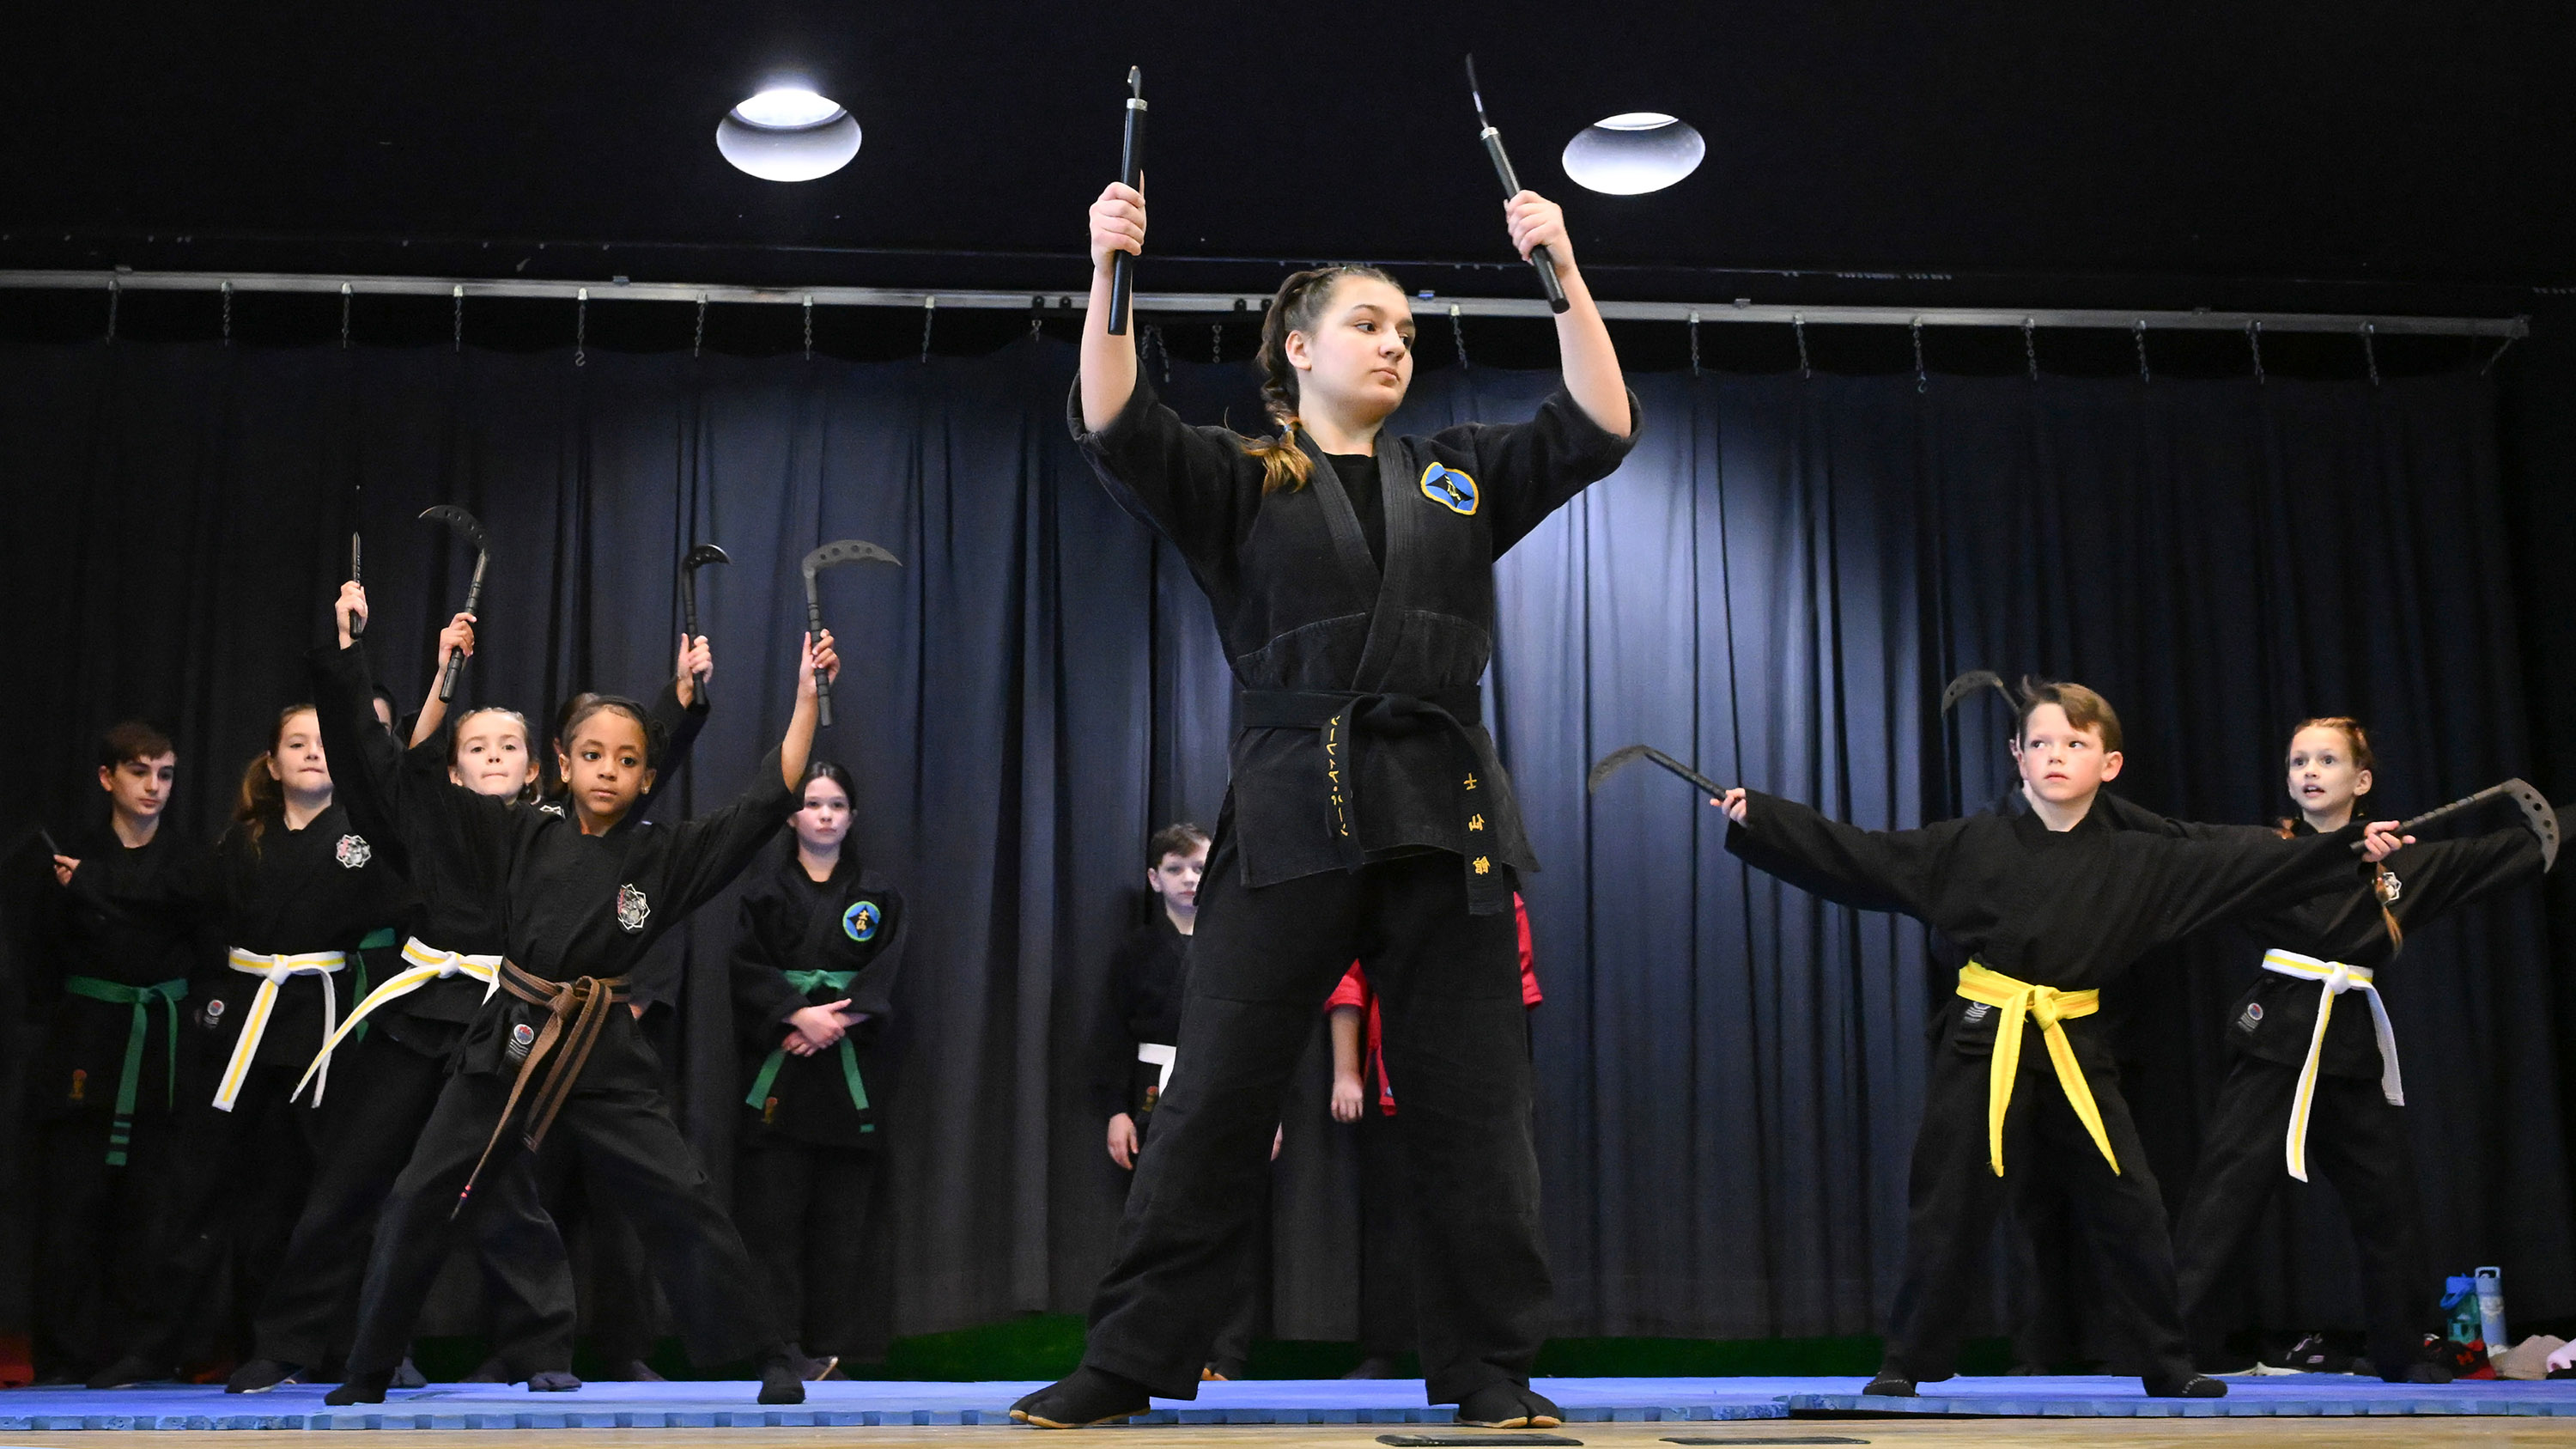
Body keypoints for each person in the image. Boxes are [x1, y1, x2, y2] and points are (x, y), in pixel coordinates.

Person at [1011, 166, 1637, 1430]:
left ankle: (1488, 1370)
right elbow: (1115, 417)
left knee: (1475, 1105)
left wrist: (1563, 269)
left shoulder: (1456, 473)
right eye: (1369, 323)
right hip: (1297, 804)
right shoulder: (1242, 477)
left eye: (1408, 329)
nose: (1396, 343)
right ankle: (1128, 1361)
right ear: (1296, 347)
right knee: (1217, 1094)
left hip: (1446, 814)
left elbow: (1598, 425)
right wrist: (1107, 270)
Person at [1712, 681, 2409, 1400]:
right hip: (1984, 1043)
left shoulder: (2143, 860)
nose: (2055, 756)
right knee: (1950, 1200)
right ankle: (1909, 1359)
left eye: (2075, 744)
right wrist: (1763, 818)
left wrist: (2349, 848)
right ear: (2017, 755)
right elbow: (1860, 857)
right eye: (2040, 742)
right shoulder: (1970, 844)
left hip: (2077, 1042)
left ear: (2108, 764)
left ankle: (2165, 1363)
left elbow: (2249, 862)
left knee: (2129, 1201)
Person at [325, 624, 841, 1407]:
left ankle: (767, 1351)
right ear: (562, 765)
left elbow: (766, 799)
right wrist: (443, 677)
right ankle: (368, 1365)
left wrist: (806, 699)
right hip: (510, 1033)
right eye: (593, 755)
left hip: (604, 1042)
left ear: (647, 774)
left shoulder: (663, 855)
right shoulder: (517, 829)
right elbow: (417, 783)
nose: (609, 770)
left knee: (683, 1193)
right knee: (419, 1189)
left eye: (628, 760)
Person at [214, 594, 584, 1394]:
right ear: (452, 765)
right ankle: (288, 1341)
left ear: (533, 765)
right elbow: (371, 755)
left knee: (502, 1187)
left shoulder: (555, 834)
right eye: (475, 745)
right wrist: (354, 656)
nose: (492, 756)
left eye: (508, 745)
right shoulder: (425, 818)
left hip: (499, 1022)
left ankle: (543, 1347)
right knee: (350, 1175)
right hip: (417, 1014)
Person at [2165, 718, 2557, 1382]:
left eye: (2326, 759)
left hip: (2348, 1040)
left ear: (2362, 779)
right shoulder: (2266, 850)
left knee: (2388, 1202)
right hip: (2277, 1038)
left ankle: (2400, 1347)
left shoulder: (2403, 862)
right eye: (2297, 761)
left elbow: (2497, 852)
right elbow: (2181, 843)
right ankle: (2176, 1351)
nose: (2308, 771)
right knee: (2223, 1198)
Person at [87, 700, 409, 1388]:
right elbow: (192, 914)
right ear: (272, 762)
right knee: (198, 1188)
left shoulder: (368, 837)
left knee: (326, 1192)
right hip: (243, 1027)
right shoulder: (243, 840)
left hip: (323, 1029)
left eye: (326, 742)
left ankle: (333, 1345)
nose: (314, 753)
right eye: (297, 743)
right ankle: (155, 1342)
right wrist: (94, 882)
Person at [27, 723, 211, 1384]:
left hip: (163, 1046)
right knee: (73, 1205)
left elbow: (201, 922)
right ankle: (65, 1352)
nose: (154, 787)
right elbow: (37, 956)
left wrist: (101, 886)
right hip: (86, 1041)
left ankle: (144, 1349)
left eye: (165, 774)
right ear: (108, 777)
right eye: (140, 772)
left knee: (153, 1207)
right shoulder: (65, 856)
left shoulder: (188, 859)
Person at [725, 759, 907, 1379]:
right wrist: (796, 1015)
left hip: (851, 1074)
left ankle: (837, 1348)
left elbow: (893, 969)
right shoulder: (764, 893)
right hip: (783, 1068)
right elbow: (744, 968)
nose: (825, 813)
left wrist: (840, 1021)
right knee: (772, 1222)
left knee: (844, 1226)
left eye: (836, 804)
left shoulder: (879, 897)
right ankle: (778, 1349)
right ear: (791, 815)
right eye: (813, 802)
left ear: (853, 817)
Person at [1325, 893, 1540, 1379]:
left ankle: (1481, 1356)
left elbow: (1516, 993)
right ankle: (1385, 1348)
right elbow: (1347, 989)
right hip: (1394, 1078)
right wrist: (1345, 1073)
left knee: (1483, 1216)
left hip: (1476, 1075)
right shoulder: (1378, 896)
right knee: (1392, 1220)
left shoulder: (1497, 896)